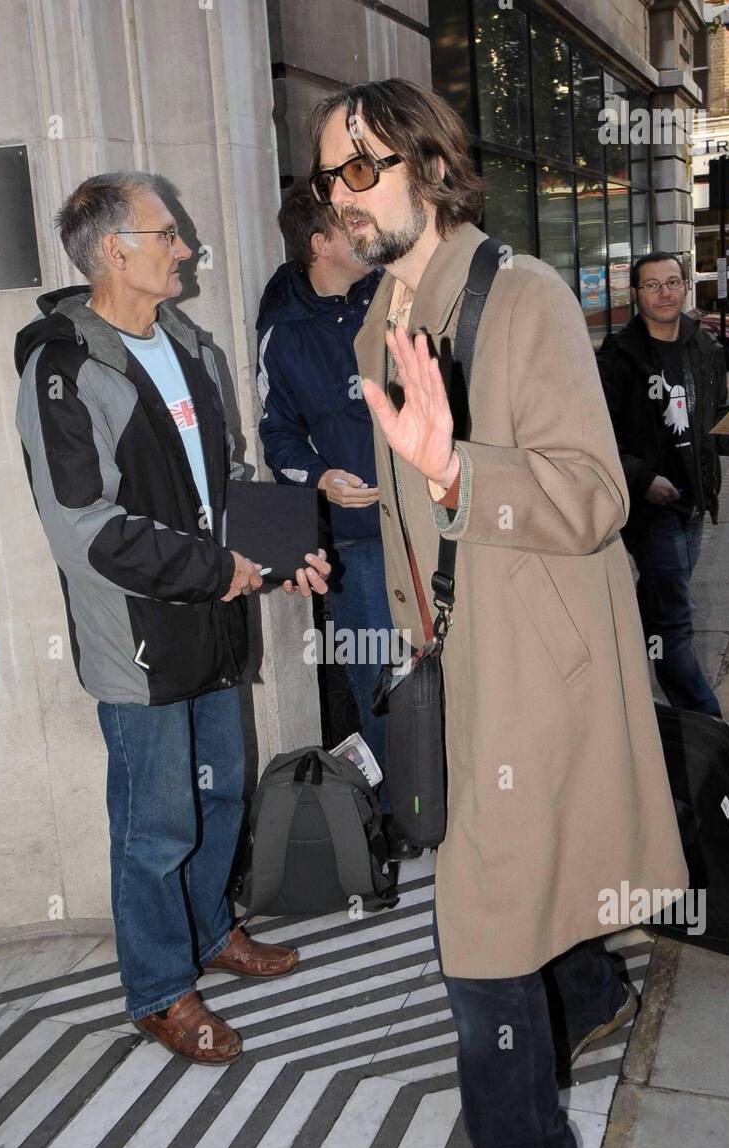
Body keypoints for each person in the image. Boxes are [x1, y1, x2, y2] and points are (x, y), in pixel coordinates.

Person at [310, 79, 690, 1148]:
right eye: (328, 176)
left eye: (360, 167)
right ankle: (589, 995)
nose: (340, 194)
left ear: (429, 166)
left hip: (538, 662)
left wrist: (460, 473)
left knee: (473, 924)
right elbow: (427, 497)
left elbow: (594, 491)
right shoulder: (381, 317)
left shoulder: (519, 298)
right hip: (460, 655)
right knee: (522, 873)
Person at [14, 172, 331, 1065]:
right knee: (156, 824)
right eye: (167, 235)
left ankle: (204, 936)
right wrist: (217, 569)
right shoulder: (64, 367)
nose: (184, 248)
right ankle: (158, 989)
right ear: (114, 249)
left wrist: (280, 551)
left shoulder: (189, 343)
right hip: (141, 641)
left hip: (215, 621)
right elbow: (84, 527)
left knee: (220, 794)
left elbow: (222, 483)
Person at [256, 182, 417, 858]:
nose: (367, 230)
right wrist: (320, 478)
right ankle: (399, 814)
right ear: (319, 243)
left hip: (438, 527)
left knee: (459, 665)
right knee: (378, 678)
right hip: (358, 543)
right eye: (349, 223)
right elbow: (278, 437)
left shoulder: (400, 297)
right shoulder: (282, 332)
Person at [597, 254, 729, 719]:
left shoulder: (706, 349)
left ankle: (623, 685)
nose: (665, 293)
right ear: (636, 294)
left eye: (672, 282)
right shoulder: (617, 358)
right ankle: (707, 724)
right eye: (652, 286)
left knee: (659, 606)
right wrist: (643, 478)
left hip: (694, 500)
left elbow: (713, 423)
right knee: (674, 619)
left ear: (685, 287)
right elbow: (599, 436)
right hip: (650, 510)